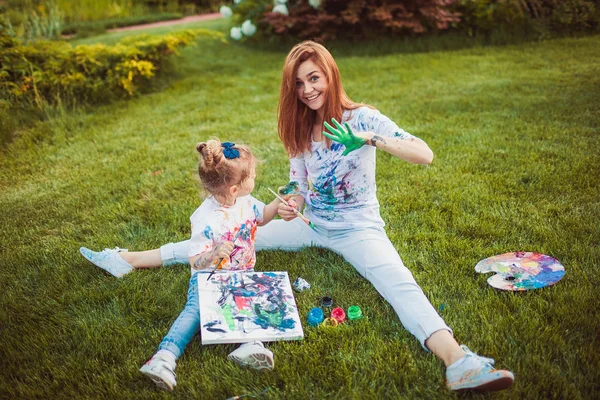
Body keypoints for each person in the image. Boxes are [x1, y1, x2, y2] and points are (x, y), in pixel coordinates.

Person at [80, 41, 514, 392]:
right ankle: (125, 259)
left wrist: (367, 138)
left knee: (398, 283)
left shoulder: (362, 118)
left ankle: (458, 362)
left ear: (329, 75)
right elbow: (298, 187)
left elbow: (425, 153)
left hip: (358, 229)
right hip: (309, 224)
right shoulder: (300, 129)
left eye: (314, 78)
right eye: (299, 83)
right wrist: (290, 203)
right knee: (227, 238)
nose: (307, 89)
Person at [123, 139, 280, 391]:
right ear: (233, 189)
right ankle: (163, 358)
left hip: (241, 275)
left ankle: (249, 347)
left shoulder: (247, 201)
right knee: (195, 312)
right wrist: (215, 253)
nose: (255, 177)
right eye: (251, 175)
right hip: (208, 279)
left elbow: (262, 218)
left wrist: (279, 204)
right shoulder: (205, 219)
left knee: (251, 304)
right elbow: (195, 260)